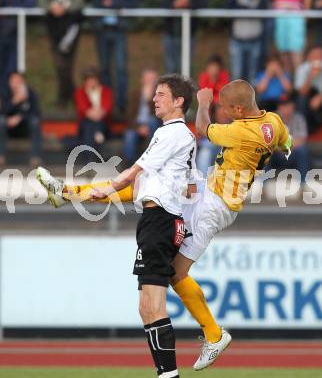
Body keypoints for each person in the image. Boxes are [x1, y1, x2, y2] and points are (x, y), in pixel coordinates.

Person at [37, 80, 292, 372]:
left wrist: (205, 103)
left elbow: (203, 128)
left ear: (238, 109)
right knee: (148, 187)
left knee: (176, 272)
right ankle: (66, 193)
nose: (223, 112)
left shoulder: (238, 131)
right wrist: (280, 146)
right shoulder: (273, 122)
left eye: (226, 108)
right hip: (210, 191)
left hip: (215, 205)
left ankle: (214, 333)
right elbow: (287, 141)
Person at [37, 74, 198, 378]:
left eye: (161, 94)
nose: (154, 99)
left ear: (178, 102)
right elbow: (187, 187)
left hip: (159, 221)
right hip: (160, 219)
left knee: (153, 305)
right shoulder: (182, 138)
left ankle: (169, 375)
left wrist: (108, 189)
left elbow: (134, 171)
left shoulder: (172, 133)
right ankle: (167, 374)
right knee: (148, 307)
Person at [91, 0, 138, 114]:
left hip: (119, 30)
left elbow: (133, 3)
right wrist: (105, 4)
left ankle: (121, 104)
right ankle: (107, 104)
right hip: (102, 30)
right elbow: (94, 1)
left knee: (121, 69)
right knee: (104, 69)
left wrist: (114, 3)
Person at [39, 0, 85, 108]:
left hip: (71, 26)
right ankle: (72, 94)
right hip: (54, 28)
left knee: (68, 65)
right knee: (60, 65)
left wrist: (64, 8)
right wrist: (52, 7)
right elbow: (42, 1)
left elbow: (79, 2)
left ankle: (63, 98)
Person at [197, 54, 230, 176]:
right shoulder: (204, 80)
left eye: (215, 68)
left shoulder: (226, 82)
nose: (212, 71)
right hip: (213, 136)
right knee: (205, 150)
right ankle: (202, 186)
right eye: (210, 68)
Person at [227, 0, 268, 83]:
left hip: (255, 40)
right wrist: (248, 10)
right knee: (236, 73)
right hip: (237, 41)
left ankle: (252, 97)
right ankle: (235, 97)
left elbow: (263, 10)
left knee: (253, 75)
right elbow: (228, 9)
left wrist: (244, 9)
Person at [0, 72, 42, 166]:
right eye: (13, 81)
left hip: (25, 128)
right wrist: (15, 101)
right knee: (1, 121)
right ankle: (1, 156)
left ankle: (35, 157)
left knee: (35, 122)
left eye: (18, 81)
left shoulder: (31, 94)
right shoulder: (5, 94)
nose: (16, 83)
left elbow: (36, 113)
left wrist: (20, 117)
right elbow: (3, 111)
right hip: (8, 128)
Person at [0, 0, 35, 98]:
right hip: (2, 35)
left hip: (15, 36)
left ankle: (10, 102)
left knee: (12, 70)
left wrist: (9, 10)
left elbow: (30, 3)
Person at [163, 0, 208, 73]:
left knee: (187, 65)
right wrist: (175, 4)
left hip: (190, 35)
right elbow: (163, 5)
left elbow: (203, 4)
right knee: (171, 66)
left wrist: (188, 4)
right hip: (171, 34)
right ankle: (171, 86)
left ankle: (185, 86)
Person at [123, 68, 161, 165]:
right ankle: (130, 166)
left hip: (153, 125)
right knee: (129, 136)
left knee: (152, 120)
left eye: (153, 80)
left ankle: (152, 161)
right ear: (142, 80)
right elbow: (129, 116)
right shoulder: (134, 94)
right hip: (136, 125)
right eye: (148, 79)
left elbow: (159, 115)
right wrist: (138, 127)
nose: (150, 82)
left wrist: (149, 99)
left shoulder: (161, 96)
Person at [269, 95, 309, 182]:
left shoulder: (299, 118)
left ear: (292, 106)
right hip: (277, 155)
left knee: (302, 150)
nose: (285, 108)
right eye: (282, 105)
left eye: (287, 105)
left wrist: (281, 145)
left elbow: (301, 140)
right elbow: (269, 142)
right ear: (279, 107)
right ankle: (261, 185)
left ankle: (303, 184)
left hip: (293, 155)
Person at [74, 67, 114, 151]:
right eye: (89, 80)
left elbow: (107, 108)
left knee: (94, 126)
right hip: (86, 123)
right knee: (89, 126)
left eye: (93, 79)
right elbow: (83, 109)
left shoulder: (106, 91)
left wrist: (98, 114)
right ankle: (98, 134)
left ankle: (90, 157)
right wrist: (94, 114)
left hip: (103, 122)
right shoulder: (80, 92)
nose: (91, 82)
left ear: (98, 80)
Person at [273, 0, 312, 73]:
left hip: (295, 14)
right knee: (282, 49)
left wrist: (305, 15)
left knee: (296, 50)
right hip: (279, 14)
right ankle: (288, 81)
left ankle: (298, 83)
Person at [295, 46, 322, 133]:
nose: (318, 58)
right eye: (315, 56)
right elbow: (301, 92)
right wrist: (311, 76)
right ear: (308, 57)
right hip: (308, 97)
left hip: (319, 96)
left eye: (320, 56)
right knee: (301, 99)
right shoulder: (302, 69)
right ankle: (303, 129)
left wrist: (320, 97)